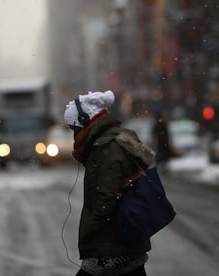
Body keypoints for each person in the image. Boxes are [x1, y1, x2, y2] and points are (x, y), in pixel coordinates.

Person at [64, 90, 155, 276]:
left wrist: (91, 230)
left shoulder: (106, 148)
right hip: (125, 243)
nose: (74, 135)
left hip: (112, 248)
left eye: (74, 128)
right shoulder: (114, 141)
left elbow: (105, 200)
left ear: (85, 120)